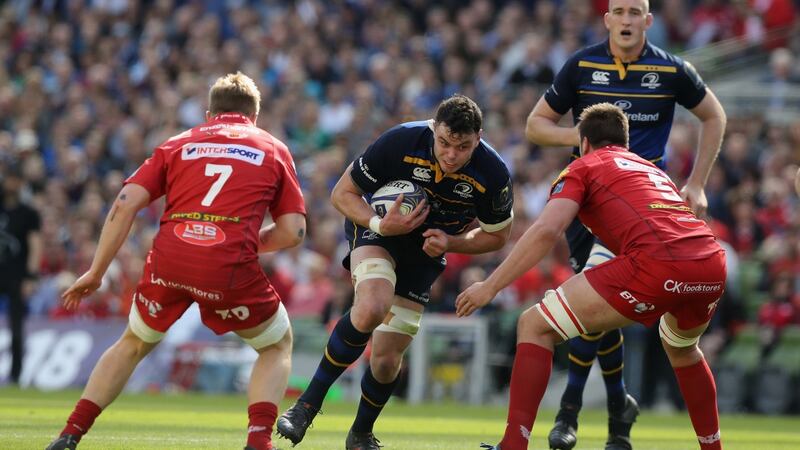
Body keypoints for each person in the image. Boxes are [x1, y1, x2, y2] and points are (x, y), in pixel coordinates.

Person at [46, 72, 306, 450]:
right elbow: (294, 232)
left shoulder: (178, 143)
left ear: (208, 113)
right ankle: (259, 442)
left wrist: (96, 271)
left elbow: (125, 204)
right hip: (228, 265)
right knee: (276, 345)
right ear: (254, 116)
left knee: (133, 342)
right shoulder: (272, 148)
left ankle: (70, 434)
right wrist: (245, 244)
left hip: (170, 260)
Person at [457, 103, 726, 450]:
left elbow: (547, 230)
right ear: (626, 143)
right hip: (709, 263)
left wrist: (490, 286)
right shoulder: (652, 170)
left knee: (534, 326)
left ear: (583, 143)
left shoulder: (583, 167)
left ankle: (513, 444)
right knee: (684, 349)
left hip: (658, 263)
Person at [524, 1, 726, 448]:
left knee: (589, 299)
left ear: (648, 21)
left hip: (644, 208)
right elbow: (535, 126)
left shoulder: (672, 70)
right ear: (608, 19)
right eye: (621, 11)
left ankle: (568, 412)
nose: (628, 19)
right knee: (595, 310)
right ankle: (619, 408)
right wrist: (580, 138)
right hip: (589, 199)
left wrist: (697, 184)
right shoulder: (582, 64)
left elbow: (715, 115)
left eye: (637, 12)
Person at [276, 94, 514, 450]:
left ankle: (360, 435)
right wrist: (377, 222)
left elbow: (498, 235)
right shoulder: (401, 141)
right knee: (372, 306)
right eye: (445, 143)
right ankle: (306, 406)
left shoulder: (492, 172)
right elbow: (342, 193)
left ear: (478, 139)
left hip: (426, 252)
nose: (451, 154)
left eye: (462, 147)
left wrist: (452, 242)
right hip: (378, 231)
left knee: (387, 360)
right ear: (434, 129)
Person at [0, 164, 42, 385]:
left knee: (17, 327)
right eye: (10, 179)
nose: (12, 184)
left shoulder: (29, 213)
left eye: (17, 180)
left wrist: (31, 276)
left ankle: (16, 375)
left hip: (16, 275)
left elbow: (35, 245)